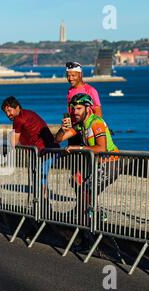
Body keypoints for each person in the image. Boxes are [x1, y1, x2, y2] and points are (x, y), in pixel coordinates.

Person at [55, 93, 119, 252]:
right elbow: (58, 139)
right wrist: (63, 130)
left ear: (88, 108)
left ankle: (88, 240)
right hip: (98, 166)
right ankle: (96, 216)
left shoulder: (95, 123)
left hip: (110, 164)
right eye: (73, 108)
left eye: (78, 108)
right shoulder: (80, 124)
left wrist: (78, 148)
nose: (75, 111)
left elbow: (101, 148)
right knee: (77, 185)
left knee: (84, 196)